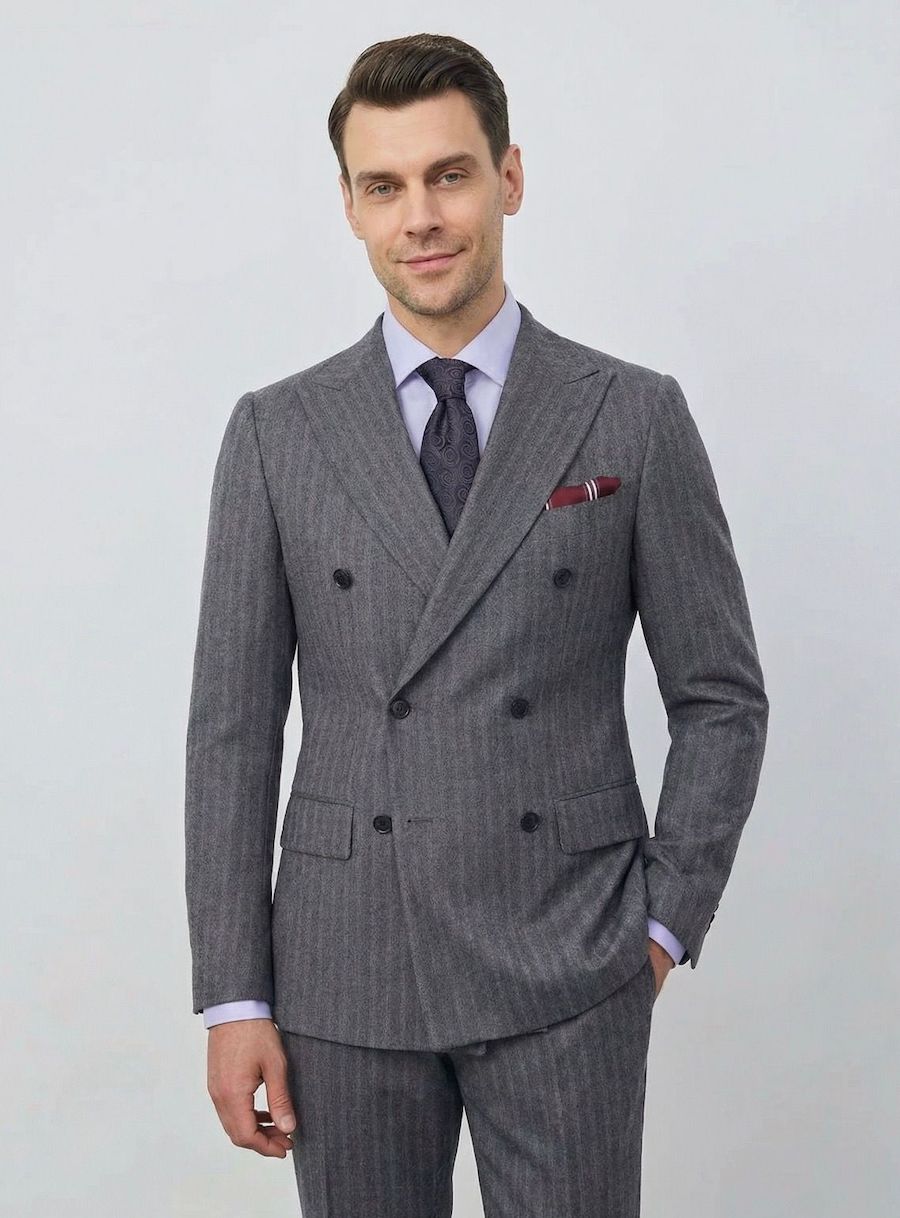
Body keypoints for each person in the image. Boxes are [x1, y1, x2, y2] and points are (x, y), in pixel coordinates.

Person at [184, 31, 769, 1217]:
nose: (421, 217)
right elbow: (232, 733)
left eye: (448, 175)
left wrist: (661, 926)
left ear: (509, 177)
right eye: (384, 186)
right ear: (350, 207)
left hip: (571, 954)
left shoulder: (631, 415)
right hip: (346, 962)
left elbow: (721, 697)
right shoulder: (277, 433)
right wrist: (235, 997)